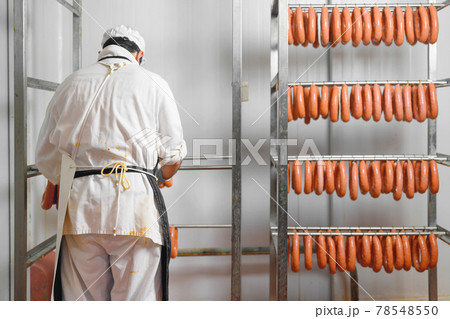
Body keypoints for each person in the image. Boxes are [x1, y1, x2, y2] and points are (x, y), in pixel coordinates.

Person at [36, 25, 186, 301]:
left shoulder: (71, 82)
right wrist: (158, 176)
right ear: (139, 55)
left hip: (81, 211)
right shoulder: (153, 82)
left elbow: (46, 157)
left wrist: (63, 177)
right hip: (137, 211)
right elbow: (173, 155)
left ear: (100, 52)